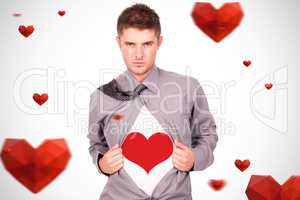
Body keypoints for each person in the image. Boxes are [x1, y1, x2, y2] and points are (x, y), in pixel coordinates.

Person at [87, 3, 218, 200]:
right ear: (119, 43)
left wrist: (194, 159)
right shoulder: (102, 95)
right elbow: (96, 143)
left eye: (147, 44)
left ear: (159, 42)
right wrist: (101, 163)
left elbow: (208, 133)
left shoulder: (188, 87)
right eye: (130, 44)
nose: (138, 55)